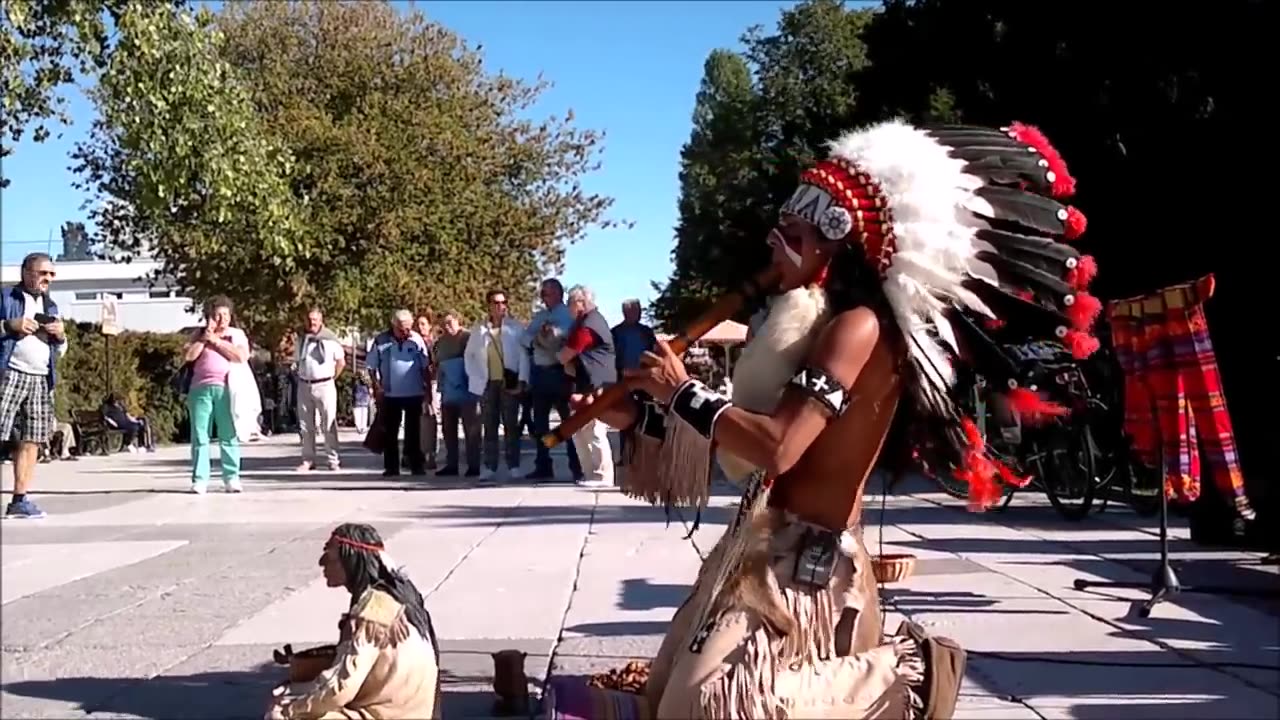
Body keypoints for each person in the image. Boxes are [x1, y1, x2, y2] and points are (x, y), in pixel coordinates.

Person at [554, 120, 1099, 718]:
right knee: (662, 697)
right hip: (756, 546)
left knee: (706, 704)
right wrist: (638, 416)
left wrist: (684, 392)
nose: (771, 245)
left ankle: (908, 674)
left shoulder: (857, 329)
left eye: (790, 234)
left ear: (833, 246)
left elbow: (780, 447)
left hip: (810, 568)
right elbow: (740, 444)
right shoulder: (808, 327)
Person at [265, 523, 441, 720]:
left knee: (279, 713)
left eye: (330, 556)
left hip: (384, 715)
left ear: (351, 562)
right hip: (413, 713)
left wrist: (292, 707)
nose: (322, 562)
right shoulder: (399, 598)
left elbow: (341, 688)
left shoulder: (371, 613)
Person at [0, 253, 67, 518]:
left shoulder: (50, 306)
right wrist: (8, 325)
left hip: (40, 378)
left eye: (51, 274)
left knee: (32, 439)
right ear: (27, 272)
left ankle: (20, 500)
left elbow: (60, 351)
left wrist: (60, 337)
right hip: (10, 373)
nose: (48, 279)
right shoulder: (6, 298)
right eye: (43, 273)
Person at [184, 296, 251, 494]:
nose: (222, 319)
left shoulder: (236, 335)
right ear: (210, 316)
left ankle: (231, 477)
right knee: (200, 435)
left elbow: (241, 356)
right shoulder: (199, 334)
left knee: (228, 433)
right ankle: (200, 479)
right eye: (218, 315)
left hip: (226, 388)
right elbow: (189, 356)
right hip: (200, 389)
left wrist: (218, 342)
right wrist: (206, 338)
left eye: (226, 315)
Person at [464, 289, 530, 482]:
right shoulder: (479, 329)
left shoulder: (515, 328)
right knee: (489, 425)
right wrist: (475, 376)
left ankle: (514, 465)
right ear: (489, 305)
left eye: (503, 302)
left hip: (508, 382)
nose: (500, 306)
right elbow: (469, 355)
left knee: (511, 425)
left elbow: (524, 356)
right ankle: (490, 466)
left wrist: (522, 380)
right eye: (495, 302)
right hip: (487, 383)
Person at [522, 278, 583, 481]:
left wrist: (549, 337)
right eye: (542, 293)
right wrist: (541, 338)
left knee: (567, 422)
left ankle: (576, 464)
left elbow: (564, 340)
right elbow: (525, 338)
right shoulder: (540, 317)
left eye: (546, 293)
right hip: (540, 374)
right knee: (541, 424)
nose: (543, 297)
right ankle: (543, 464)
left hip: (560, 374)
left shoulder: (567, 315)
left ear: (558, 293)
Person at [558, 285, 616, 488]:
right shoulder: (584, 323)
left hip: (597, 384)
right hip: (585, 383)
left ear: (580, 303)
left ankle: (602, 476)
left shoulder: (589, 325)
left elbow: (567, 353)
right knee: (580, 429)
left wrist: (558, 355)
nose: (568, 308)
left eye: (570, 303)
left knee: (594, 429)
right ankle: (590, 474)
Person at [366, 310, 430, 477]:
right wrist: (376, 387)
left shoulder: (416, 340)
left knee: (414, 432)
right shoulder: (381, 341)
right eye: (402, 329)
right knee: (390, 432)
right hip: (390, 393)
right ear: (394, 326)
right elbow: (371, 367)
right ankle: (391, 467)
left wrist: (428, 391)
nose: (406, 332)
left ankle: (416, 465)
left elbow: (425, 367)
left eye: (409, 328)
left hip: (414, 392)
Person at [295, 308, 346, 472]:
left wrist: (332, 377)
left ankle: (333, 459)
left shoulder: (330, 340)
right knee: (305, 425)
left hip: (325, 385)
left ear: (321, 320)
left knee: (328, 423)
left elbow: (341, 362)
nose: (312, 323)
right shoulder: (302, 340)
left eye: (315, 319)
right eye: (309, 319)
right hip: (304, 384)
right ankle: (308, 459)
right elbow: (297, 360)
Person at [434, 312, 480, 478]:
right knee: (448, 430)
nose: (447, 326)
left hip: (468, 389)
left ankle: (474, 465)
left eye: (450, 322)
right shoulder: (441, 342)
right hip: (448, 390)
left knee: (471, 429)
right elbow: (437, 364)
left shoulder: (468, 337)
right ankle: (451, 464)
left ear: (458, 321)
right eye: (443, 323)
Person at [413, 314, 439, 470]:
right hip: (416, 384)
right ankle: (417, 453)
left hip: (433, 383)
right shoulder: (413, 344)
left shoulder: (434, 345)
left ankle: (431, 454)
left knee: (431, 418)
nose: (420, 327)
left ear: (430, 326)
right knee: (418, 421)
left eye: (423, 324)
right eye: (418, 324)